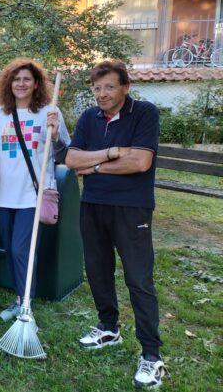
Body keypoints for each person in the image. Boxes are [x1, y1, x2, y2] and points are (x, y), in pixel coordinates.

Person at [65, 60, 166, 389]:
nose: (102, 94)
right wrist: (109, 154)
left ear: (125, 87)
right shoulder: (88, 118)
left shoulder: (144, 113)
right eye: (97, 88)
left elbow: (140, 161)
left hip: (131, 208)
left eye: (109, 87)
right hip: (93, 205)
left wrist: (92, 167)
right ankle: (108, 327)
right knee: (96, 269)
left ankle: (151, 355)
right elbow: (71, 159)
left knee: (138, 278)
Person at [0, 58, 70, 321]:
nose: (21, 84)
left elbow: (66, 152)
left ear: (35, 84)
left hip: (33, 193)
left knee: (22, 249)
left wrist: (54, 135)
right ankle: (20, 297)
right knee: (10, 248)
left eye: (26, 79)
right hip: (3, 194)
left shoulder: (49, 112)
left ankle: (25, 304)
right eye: (16, 79)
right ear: (8, 83)